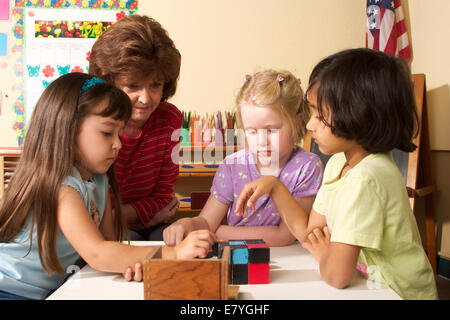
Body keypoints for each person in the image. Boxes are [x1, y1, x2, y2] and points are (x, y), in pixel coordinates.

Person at [235, 49, 438, 299]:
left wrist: (324, 253)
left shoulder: (366, 178)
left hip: (398, 293)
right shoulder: (338, 163)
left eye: (320, 115)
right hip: (368, 286)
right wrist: (274, 186)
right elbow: (311, 233)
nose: (309, 125)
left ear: (359, 116)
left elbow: (337, 276)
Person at [0, 73, 216, 300]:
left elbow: (109, 244)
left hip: (48, 291)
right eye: (106, 132)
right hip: (10, 290)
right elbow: (97, 252)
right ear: (68, 129)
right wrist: (174, 253)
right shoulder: (62, 186)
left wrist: (130, 262)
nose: (118, 144)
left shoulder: (100, 179)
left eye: (119, 133)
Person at [163, 70, 323, 247]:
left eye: (271, 130)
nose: (261, 141)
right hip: (238, 255)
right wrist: (186, 223)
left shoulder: (307, 167)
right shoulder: (233, 165)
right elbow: (206, 222)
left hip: (290, 260)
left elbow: (285, 236)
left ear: (298, 121)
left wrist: (218, 232)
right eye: (252, 131)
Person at [89, 15, 183, 240]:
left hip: (146, 225)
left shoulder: (170, 120)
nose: (146, 98)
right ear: (109, 81)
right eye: (132, 86)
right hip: (100, 229)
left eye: (155, 85)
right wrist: (146, 216)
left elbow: (163, 198)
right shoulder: (92, 123)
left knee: (175, 242)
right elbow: (90, 210)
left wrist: (140, 217)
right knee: (130, 242)